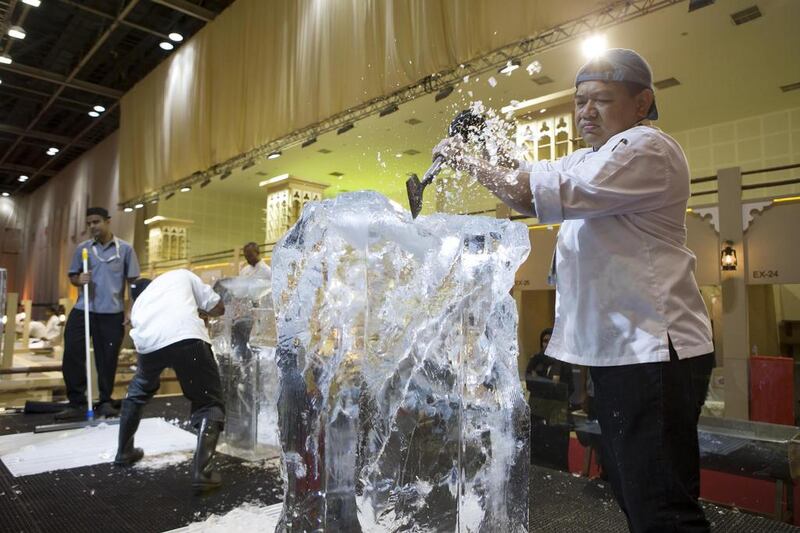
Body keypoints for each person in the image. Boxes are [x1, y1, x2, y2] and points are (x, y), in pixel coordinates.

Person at [434, 49, 715, 532]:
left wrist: (462, 159)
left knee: (661, 507)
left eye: (601, 100)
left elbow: (526, 196)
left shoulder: (646, 149)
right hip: (621, 356)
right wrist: (486, 142)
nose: (585, 111)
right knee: (633, 495)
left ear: (642, 102)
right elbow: (528, 175)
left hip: (653, 353)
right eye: (580, 101)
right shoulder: (594, 156)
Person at [114, 269, 226, 493]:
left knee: (138, 392)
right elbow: (219, 307)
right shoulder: (181, 274)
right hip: (186, 336)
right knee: (209, 401)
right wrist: (201, 311)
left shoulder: (140, 303)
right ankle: (202, 473)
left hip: (149, 345)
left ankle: (124, 451)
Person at [56, 207, 140, 420]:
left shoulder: (126, 250)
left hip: (112, 313)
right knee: (73, 354)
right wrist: (79, 279)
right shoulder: (82, 249)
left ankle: (105, 401)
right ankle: (76, 402)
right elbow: (73, 276)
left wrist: (130, 310)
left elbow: (133, 283)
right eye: (89, 223)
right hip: (83, 309)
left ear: (108, 221)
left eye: (96, 222)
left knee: (107, 359)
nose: (92, 226)